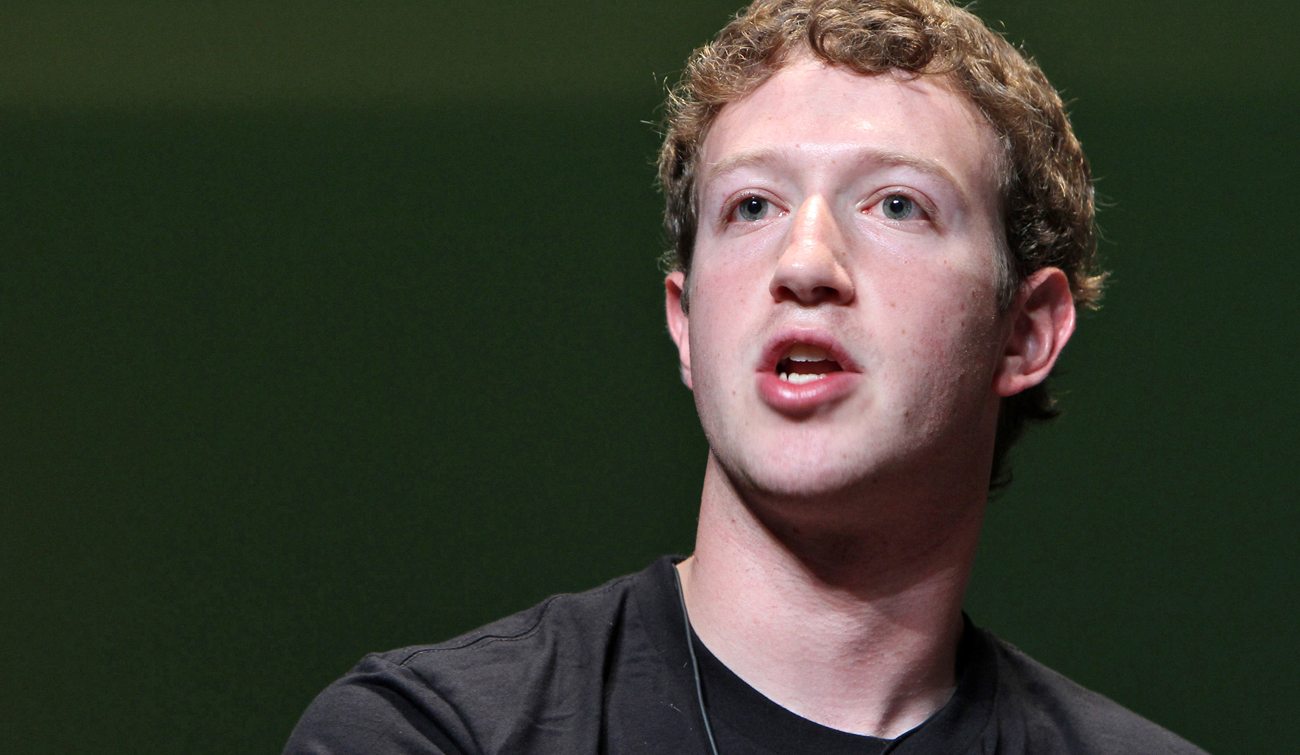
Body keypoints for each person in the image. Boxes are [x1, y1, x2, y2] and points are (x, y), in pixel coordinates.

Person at [286, 1, 1205, 752]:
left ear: (1025, 332)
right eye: (752, 204)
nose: (805, 261)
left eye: (896, 203)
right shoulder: (436, 735)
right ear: (686, 325)